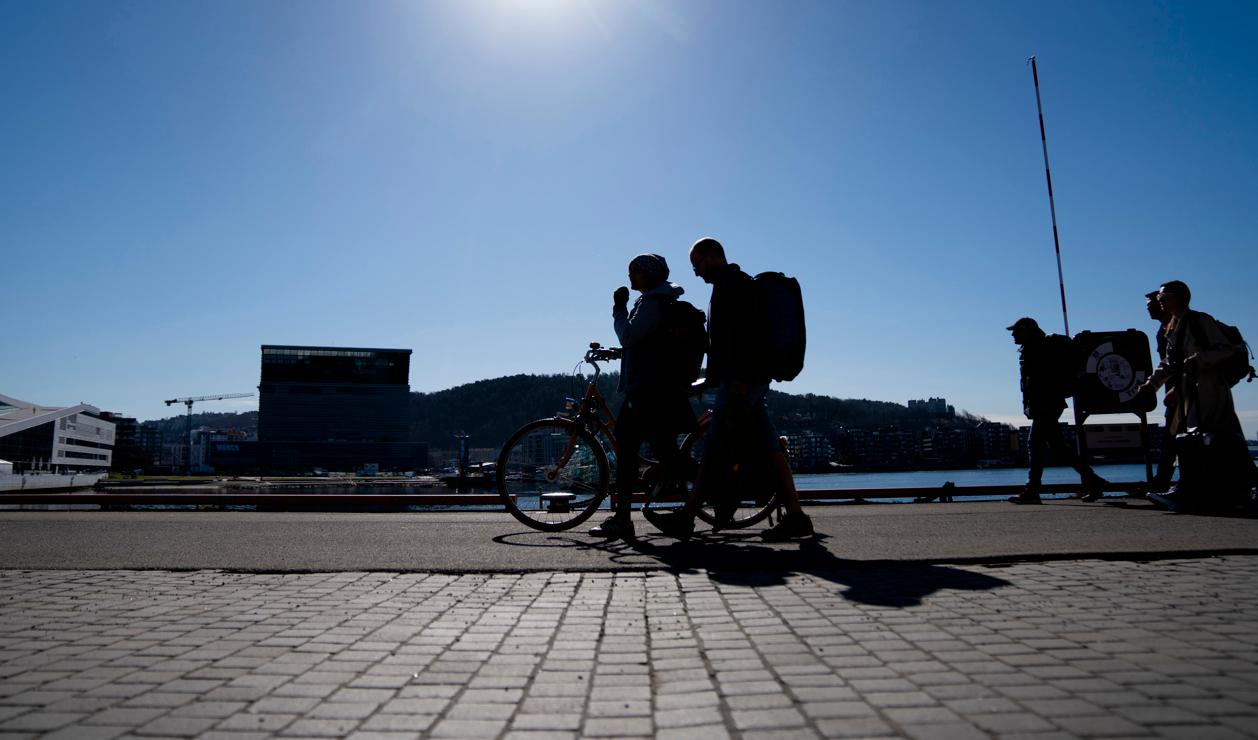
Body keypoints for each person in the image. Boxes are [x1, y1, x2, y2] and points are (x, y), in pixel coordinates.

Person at [649, 237, 814, 541]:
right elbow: (724, 345)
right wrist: (709, 381)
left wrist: (736, 380)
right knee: (769, 447)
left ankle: (686, 517)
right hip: (744, 379)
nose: (696, 272)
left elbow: (746, 340)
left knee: (713, 448)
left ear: (713, 257)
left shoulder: (734, 286)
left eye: (696, 264)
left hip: (742, 381)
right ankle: (796, 517)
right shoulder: (728, 286)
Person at [589, 253, 696, 539]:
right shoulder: (657, 301)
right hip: (655, 391)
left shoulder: (650, 303)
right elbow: (646, 344)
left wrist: (618, 309)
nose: (629, 276)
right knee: (665, 453)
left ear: (648, 274)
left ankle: (623, 519)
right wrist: (619, 353)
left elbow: (630, 336)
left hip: (646, 393)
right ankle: (715, 488)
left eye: (634, 271)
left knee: (627, 453)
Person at [1138, 280, 1252, 512]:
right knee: (1207, 439)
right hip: (1190, 391)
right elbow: (1169, 363)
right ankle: (1206, 490)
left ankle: (1188, 490)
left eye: (1164, 297)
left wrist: (1197, 360)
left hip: (1208, 388)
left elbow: (1224, 349)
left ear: (1179, 297)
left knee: (1200, 439)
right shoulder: (1173, 326)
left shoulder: (1200, 321)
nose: (1160, 301)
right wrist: (1151, 385)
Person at [1006, 317, 1109, 505]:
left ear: (1027, 331)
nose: (1013, 335)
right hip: (1046, 404)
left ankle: (1033, 490)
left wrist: (1036, 402)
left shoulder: (1039, 350)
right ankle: (1094, 482)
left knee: (1035, 445)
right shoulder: (1032, 349)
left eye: (1016, 331)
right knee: (1057, 447)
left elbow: (1039, 381)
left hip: (1047, 403)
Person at [1144, 289, 1180, 493]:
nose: (1149, 308)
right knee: (1172, 439)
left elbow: (1176, 363)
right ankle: (1162, 482)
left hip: (1187, 392)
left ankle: (1162, 483)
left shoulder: (1179, 327)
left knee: (1173, 439)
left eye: (1154, 303)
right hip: (1177, 393)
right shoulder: (1165, 329)